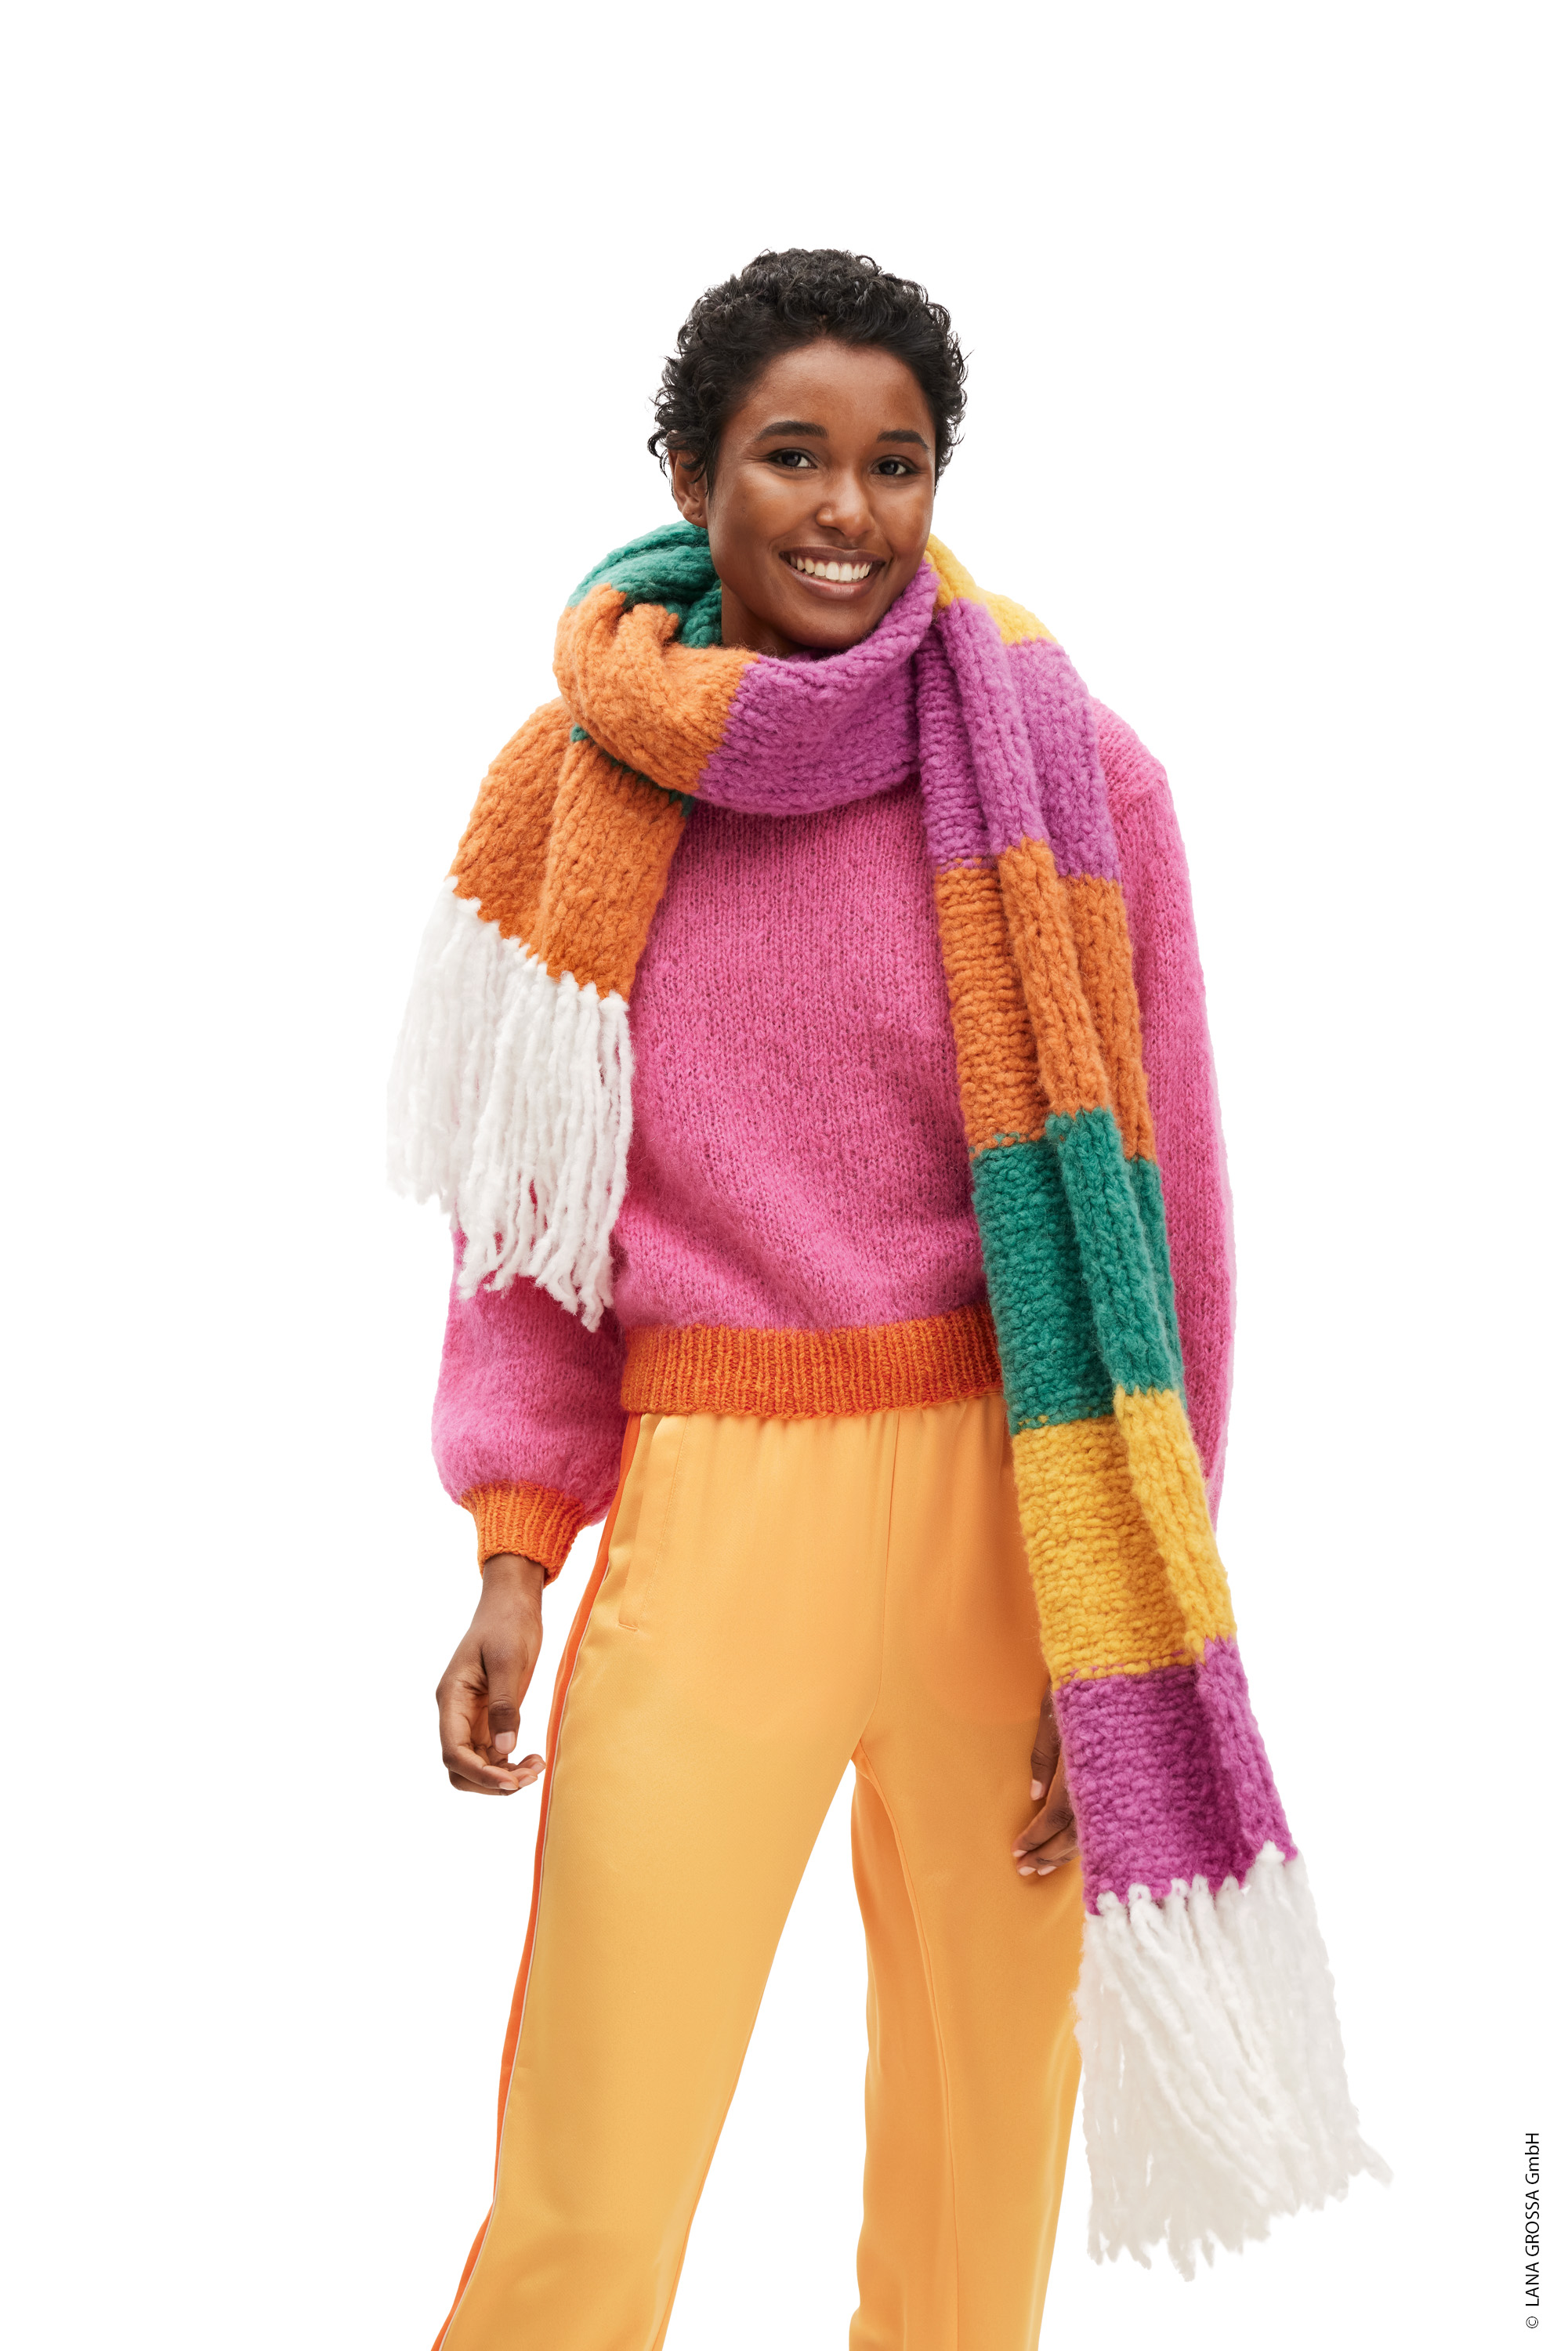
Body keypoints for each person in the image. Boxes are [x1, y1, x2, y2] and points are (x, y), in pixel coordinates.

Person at [389, 248, 1380, 2351]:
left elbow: (1171, 1222)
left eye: (896, 463)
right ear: (691, 476)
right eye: (794, 455)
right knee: (594, 2162)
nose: (848, 509)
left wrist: (1127, 1609)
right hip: (715, 1505)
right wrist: (511, 1552)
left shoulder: (1072, 776)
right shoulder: (574, 789)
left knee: (978, 2156)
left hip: (1010, 1517)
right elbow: (531, 1215)